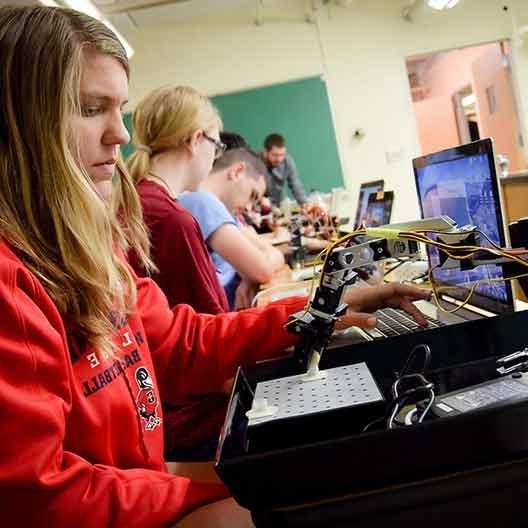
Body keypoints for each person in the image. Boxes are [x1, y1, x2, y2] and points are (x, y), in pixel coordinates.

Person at [0, 6, 431, 526]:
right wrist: (201, 501)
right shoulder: (12, 279)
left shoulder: (86, 246)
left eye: (120, 109)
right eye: (92, 108)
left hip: (142, 483)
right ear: (17, 122)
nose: (120, 133)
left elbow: (179, 342)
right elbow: (34, 493)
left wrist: (321, 309)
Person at [127, 85, 228, 315]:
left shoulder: (135, 200)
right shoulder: (172, 219)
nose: (216, 156)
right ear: (196, 140)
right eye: (217, 146)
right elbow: (210, 326)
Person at [180, 148, 286, 309]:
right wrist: (251, 272)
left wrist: (248, 276)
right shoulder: (201, 201)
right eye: (252, 195)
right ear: (237, 171)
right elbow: (263, 269)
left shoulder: (222, 209)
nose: (249, 207)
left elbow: (272, 253)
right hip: (223, 318)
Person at [261, 133, 307, 207]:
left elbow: (295, 184)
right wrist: (261, 199)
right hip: (258, 207)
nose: (279, 159)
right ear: (265, 152)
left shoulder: (287, 161)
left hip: (279, 203)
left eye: (282, 154)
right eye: (275, 155)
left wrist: (304, 204)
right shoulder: (255, 162)